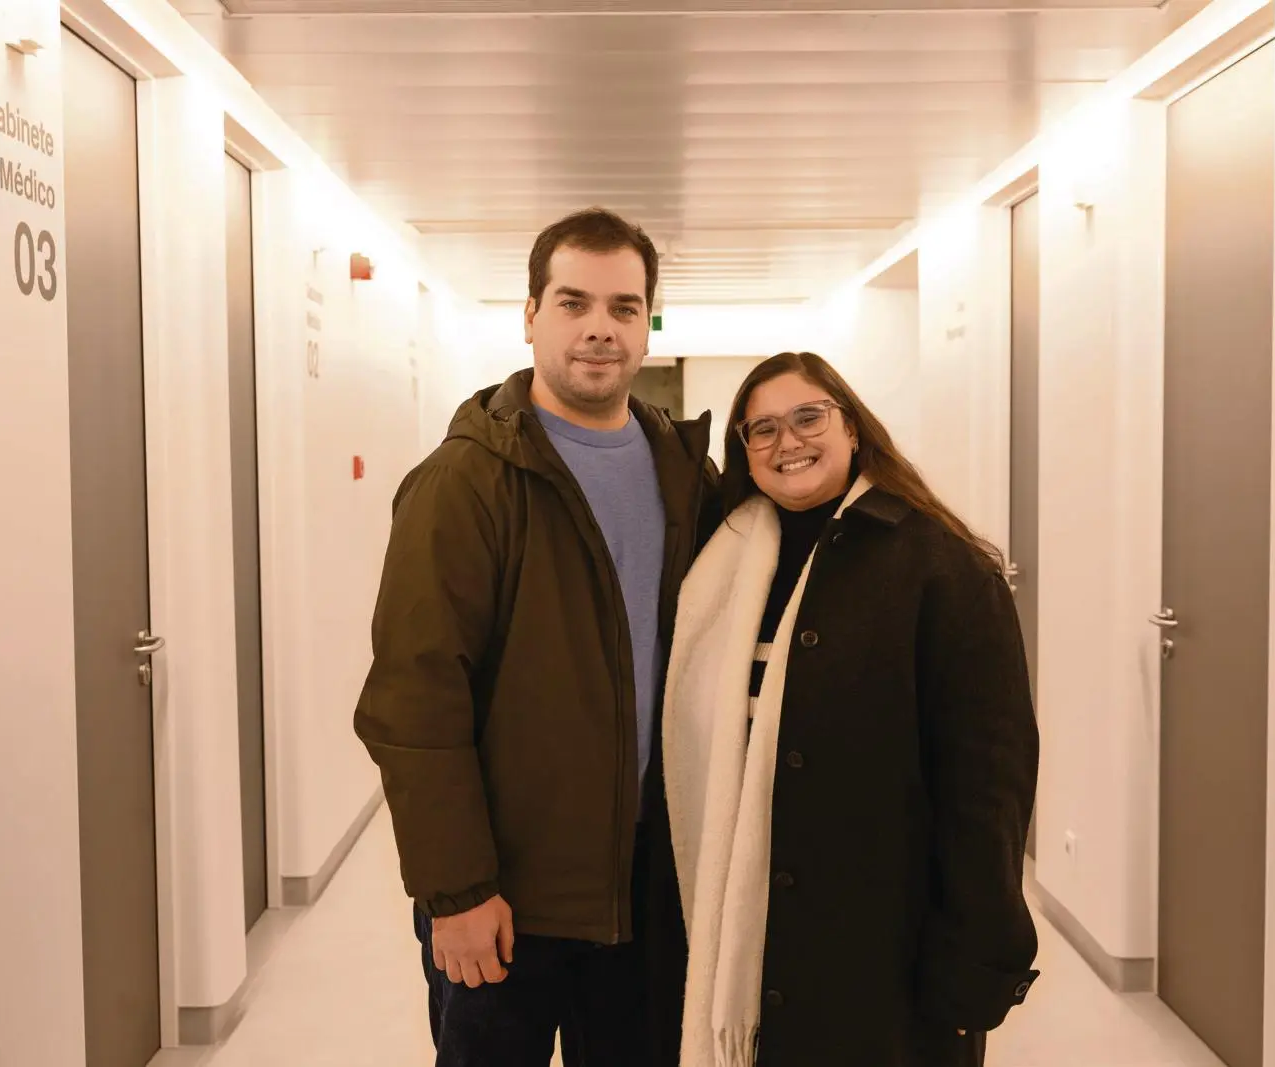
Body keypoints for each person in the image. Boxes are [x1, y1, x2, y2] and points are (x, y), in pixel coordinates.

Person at [354, 207, 718, 1067]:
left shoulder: (683, 473)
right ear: (530, 315)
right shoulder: (467, 480)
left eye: (625, 307)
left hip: (644, 888)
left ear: (649, 324)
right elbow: (415, 702)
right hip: (508, 896)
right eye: (573, 302)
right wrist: (457, 891)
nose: (600, 327)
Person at [663, 352, 1040, 1067]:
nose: (787, 441)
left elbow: (989, 785)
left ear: (853, 427)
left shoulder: (941, 567)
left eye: (808, 417)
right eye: (762, 428)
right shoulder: (721, 565)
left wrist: (977, 955)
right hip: (753, 926)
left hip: (884, 939)